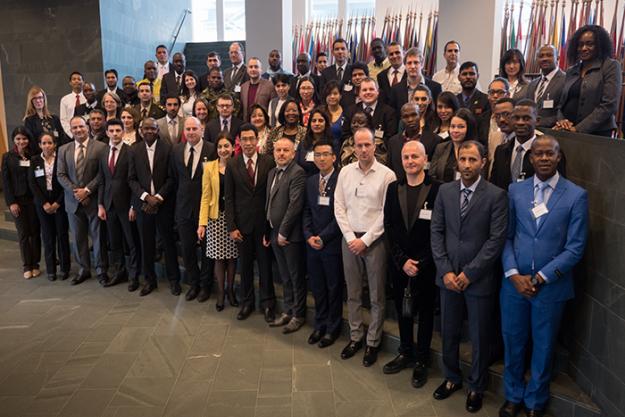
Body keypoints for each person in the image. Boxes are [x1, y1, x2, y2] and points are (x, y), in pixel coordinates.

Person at [499, 136, 588, 417]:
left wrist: (541, 278)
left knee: (544, 344)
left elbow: (575, 247)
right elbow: (506, 236)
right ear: (531, 158)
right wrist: (513, 274)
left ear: (559, 157)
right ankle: (513, 395)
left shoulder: (576, 195)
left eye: (550, 153)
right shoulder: (515, 191)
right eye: (539, 154)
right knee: (513, 341)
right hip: (514, 285)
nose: (545, 158)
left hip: (550, 288)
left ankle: (535, 400)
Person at [430, 140, 508, 413]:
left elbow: (496, 241)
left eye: (472, 160)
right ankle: (451, 377)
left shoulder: (497, 196)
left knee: (479, 335)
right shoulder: (445, 192)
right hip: (448, 277)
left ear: (483, 162)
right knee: (448, 332)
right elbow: (436, 232)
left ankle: (476, 386)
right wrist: (446, 270)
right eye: (462, 159)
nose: (466, 165)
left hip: (479, 280)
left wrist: (470, 273)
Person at [334, 127, 397, 367]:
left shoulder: (387, 175)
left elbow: (385, 213)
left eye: (366, 145)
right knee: (352, 293)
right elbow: (339, 206)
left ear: (374, 146)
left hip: (375, 241)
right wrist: (351, 237)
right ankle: (355, 337)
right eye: (358, 145)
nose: (362, 150)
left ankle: (373, 341)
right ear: (353, 147)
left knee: (376, 294)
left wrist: (366, 240)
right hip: (349, 240)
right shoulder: (345, 173)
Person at [382, 140, 440, 388]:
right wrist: (402, 260)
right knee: (402, 310)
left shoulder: (437, 189)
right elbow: (389, 227)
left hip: (426, 265)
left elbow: (439, 230)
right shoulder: (394, 188)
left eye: (415, 156)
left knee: (425, 313)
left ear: (425, 159)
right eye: (406, 157)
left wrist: (421, 261)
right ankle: (405, 352)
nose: (410, 161)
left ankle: (422, 360)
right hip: (400, 263)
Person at [224, 123, 277, 321]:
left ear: (257, 140)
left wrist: (270, 225)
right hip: (242, 226)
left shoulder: (268, 162)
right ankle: (247, 303)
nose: (247, 143)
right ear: (239, 141)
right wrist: (232, 226)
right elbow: (228, 198)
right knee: (245, 267)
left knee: (265, 267)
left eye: (251, 139)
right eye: (244, 139)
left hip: (263, 224)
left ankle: (268, 304)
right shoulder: (232, 164)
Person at [127, 118, 180, 296]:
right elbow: (131, 179)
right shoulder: (134, 150)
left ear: (158, 130)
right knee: (146, 244)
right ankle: (150, 281)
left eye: (152, 128)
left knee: (168, 243)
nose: (149, 131)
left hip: (163, 204)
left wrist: (157, 197)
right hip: (143, 205)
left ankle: (174, 280)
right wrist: (146, 197)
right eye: (146, 128)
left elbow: (172, 178)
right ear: (141, 131)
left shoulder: (168, 149)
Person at [56, 116, 109, 285]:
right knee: (78, 238)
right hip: (72, 202)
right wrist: (76, 192)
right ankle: (84, 269)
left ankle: (101, 270)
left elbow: (103, 173)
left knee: (98, 237)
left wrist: (87, 191)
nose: (78, 130)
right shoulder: (64, 149)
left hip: (93, 201)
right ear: (70, 130)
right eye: (74, 128)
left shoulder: (101, 147)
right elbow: (61, 174)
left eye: (81, 126)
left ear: (87, 127)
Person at [170, 117, 217, 303]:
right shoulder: (177, 150)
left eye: (194, 129)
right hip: (183, 208)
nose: (190, 132)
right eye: (187, 129)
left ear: (201, 130)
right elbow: (175, 179)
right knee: (188, 250)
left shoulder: (212, 149)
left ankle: (206, 286)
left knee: (207, 250)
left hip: (205, 208)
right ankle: (194, 284)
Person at [303, 140, 343, 348]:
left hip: (332, 243)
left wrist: (323, 237)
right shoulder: (310, 181)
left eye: (325, 154)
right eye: (317, 155)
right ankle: (319, 325)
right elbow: (307, 211)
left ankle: (332, 328)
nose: (321, 158)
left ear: (334, 157)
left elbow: (341, 215)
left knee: (333, 287)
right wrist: (309, 235)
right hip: (312, 244)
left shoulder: (341, 179)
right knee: (318, 287)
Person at [264, 138, 307, 333]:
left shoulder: (297, 173)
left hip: (290, 236)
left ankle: (298, 315)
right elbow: (268, 203)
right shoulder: (272, 172)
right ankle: (288, 311)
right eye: (278, 150)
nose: (281, 153)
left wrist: (283, 232)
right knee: (285, 276)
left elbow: (294, 206)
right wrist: (269, 230)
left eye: (285, 150)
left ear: (293, 153)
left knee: (295, 276)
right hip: (274, 233)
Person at [554, 24, 622, 136]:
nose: (584, 48)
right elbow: (561, 104)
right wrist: (562, 121)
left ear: (600, 45)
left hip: (597, 134)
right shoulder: (571, 70)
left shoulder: (611, 66)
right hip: (567, 131)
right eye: (580, 45)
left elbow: (609, 104)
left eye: (589, 44)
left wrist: (578, 129)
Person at [198, 132, 239, 311]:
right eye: (220, 147)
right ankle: (221, 292)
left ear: (232, 147)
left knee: (232, 257)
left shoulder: (239, 165)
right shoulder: (209, 167)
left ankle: (231, 290)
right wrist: (202, 223)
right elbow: (205, 196)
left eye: (226, 146)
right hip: (216, 218)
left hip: (235, 219)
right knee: (218, 258)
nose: (223, 150)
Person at [97, 119, 138, 288]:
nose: (115, 134)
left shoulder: (131, 152)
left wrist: (133, 205)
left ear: (123, 132)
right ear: (107, 132)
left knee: (132, 243)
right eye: (111, 130)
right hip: (109, 205)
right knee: (114, 242)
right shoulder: (103, 152)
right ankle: (119, 272)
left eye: (118, 130)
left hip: (127, 205)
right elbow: (102, 180)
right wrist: (100, 204)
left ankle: (134, 276)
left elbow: (134, 181)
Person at [491, 99, 566, 190]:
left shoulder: (551, 151)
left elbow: (560, 187)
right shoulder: (501, 151)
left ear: (537, 120)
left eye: (526, 118)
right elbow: (494, 186)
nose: (520, 122)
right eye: (516, 118)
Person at [28, 132, 71, 281]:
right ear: (39, 145)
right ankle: (51, 269)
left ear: (55, 144)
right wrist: (44, 203)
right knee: (47, 237)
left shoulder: (61, 159)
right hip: (43, 204)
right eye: (44, 143)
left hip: (59, 201)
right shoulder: (34, 161)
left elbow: (65, 181)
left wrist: (58, 203)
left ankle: (65, 268)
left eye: (50, 143)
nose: (47, 146)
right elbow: (32, 184)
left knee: (62, 235)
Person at [3, 127, 41, 279]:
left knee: (35, 233)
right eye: (18, 139)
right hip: (18, 201)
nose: (21, 141)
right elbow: (6, 182)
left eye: (24, 138)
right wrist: (11, 202)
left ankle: (36, 264)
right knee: (23, 234)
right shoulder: (7, 157)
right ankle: (27, 265)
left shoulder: (34, 155)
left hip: (33, 200)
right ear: (14, 140)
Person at [343, 77, 398, 160]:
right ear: (359, 93)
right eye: (364, 90)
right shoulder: (350, 111)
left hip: (380, 157)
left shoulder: (389, 112)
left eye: (371, 89)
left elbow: (390, 138)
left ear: (378, 92)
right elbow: (345, 135)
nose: (368, 92)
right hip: (353, 156)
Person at [387, 103, 440, 179]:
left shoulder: (435, 140)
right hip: (400, 187)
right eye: (406, 116)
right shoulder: (393, 142)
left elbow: (436, 170)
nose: (410, 119)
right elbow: (390, 169)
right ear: (401, 119)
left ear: (420, 116)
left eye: (414, 115)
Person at [522, 45, 566, 128]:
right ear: (536, 59)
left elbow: (565, 113)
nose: (544, 58)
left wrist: (540, 122)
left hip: (553, 133)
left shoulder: (566, 80)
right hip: (531, 133)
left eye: (549, 55)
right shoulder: (532, 84)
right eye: (541, 56)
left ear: (557, 58)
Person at [430, 108, 477, 182]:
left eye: (461, 127)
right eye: (452, 126)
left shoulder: (477, 150)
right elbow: (432, 175)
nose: (455, 131)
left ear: (469, 128)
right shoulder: (441, 148)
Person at [389, 47, 442, 114]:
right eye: (409, 63)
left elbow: (438, 113)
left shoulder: (435, 87)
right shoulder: (395, 90)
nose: (413, 66)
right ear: (405, 65)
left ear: (422, 64)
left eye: (416, 62)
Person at [23, 86, 67, 154]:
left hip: (57, 156)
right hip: (39, 156)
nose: (38, 101)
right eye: (34, 98)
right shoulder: (29, 121)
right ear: (31, 101)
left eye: (40, 97)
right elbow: (32, 143)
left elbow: (62, 138)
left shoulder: (54, 119)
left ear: (44, 99)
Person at [296, 107, 333, 176]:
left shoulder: (333, 143)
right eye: (314, 121)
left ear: (326, 123)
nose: (317, 124)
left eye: (320, 121)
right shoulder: (303, 143)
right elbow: (297, 165)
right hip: (303, 181)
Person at [477, 77, 510, 150]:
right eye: (492, 92)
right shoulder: (481, 119)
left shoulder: (513, 118)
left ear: (508, 95)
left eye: (500, 92)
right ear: (488, 96)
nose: (495, 96)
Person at [240, 57, 276, 121]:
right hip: (247, 125)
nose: (253, 69)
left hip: (264, 125)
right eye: (251, 67)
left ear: (261, 69)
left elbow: (273, 109)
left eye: (256, 67)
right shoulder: (243, 87)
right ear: (247, 70)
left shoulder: (270, 86)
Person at [487, 97, 516, 177]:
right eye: (497, 116)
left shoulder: (532, 138)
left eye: (506, 114)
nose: (502, 119)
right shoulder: (494, 138)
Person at [59, 71, 86, 138]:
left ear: (83, 82)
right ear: (70, 83)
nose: (76, 81)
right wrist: (72, 133)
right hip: (70, 135)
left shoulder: (87, 97)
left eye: (79, 79)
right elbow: (63, 120)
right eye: (74, 79)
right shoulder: (64, 99)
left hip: (86, 133)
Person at [322, 80, 345, 153]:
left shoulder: (347, 113)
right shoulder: (319, 112)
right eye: (329, 94)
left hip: (340, 151)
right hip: (322, 150)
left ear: (341, 95)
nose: (332, 96)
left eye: (335, 93)